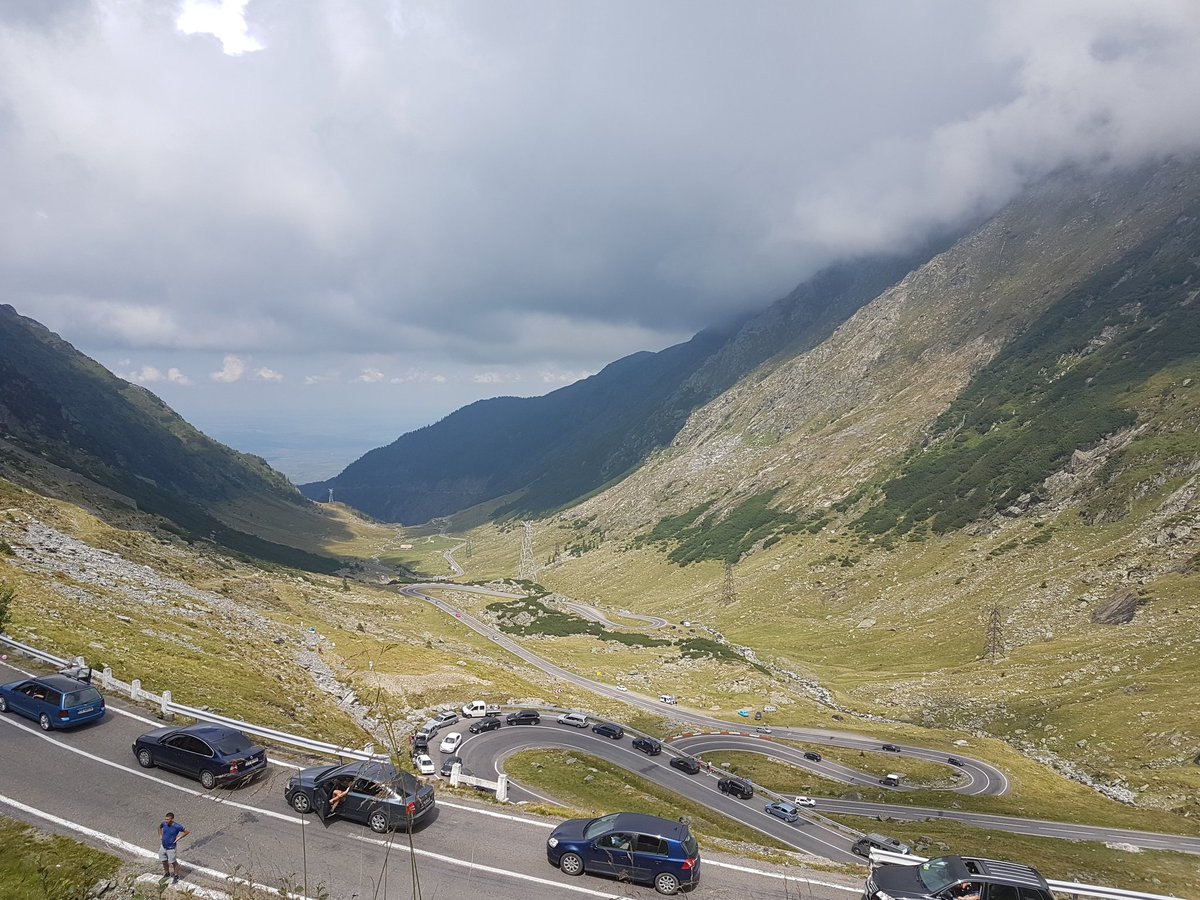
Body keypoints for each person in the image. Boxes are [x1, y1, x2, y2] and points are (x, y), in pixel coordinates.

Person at [158, 812, 189, 883]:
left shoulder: (177, 826)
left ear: (172, 819)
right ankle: (167, 873)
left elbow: (187, 831)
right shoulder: (164, 824)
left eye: (168, 819)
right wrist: (160, 835)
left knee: (173, 862)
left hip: (171, 848)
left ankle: (176, 875)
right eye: (165, 819)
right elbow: (159, 827)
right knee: (164, 860)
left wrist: (178, 838)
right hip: (163, 846)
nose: (166, 821)